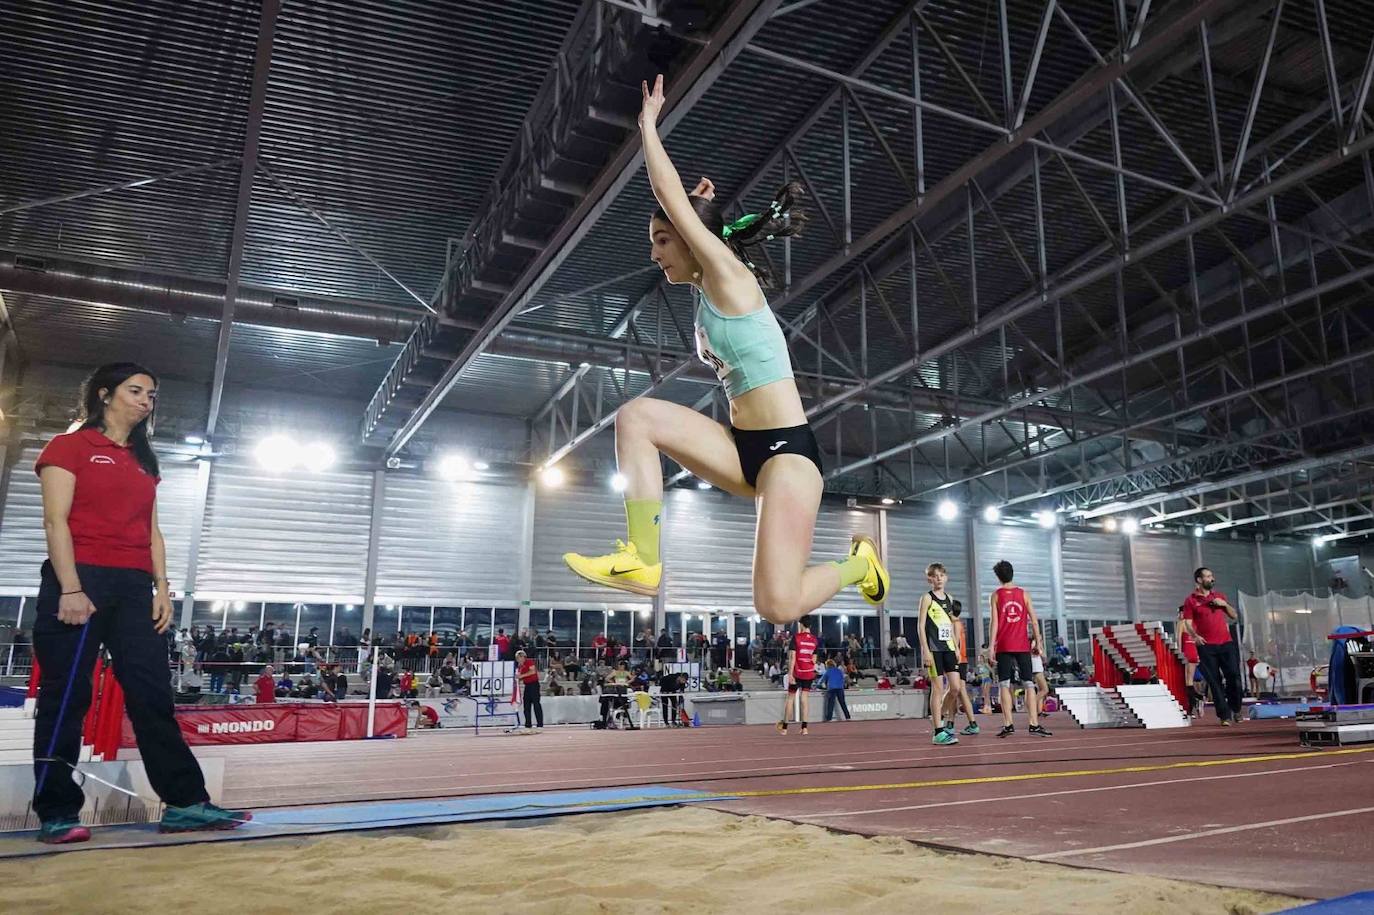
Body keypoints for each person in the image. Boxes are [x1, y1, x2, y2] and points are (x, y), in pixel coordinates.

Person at [561, 73, 891, 625]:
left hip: (788, 456)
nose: (654, 254)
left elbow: (671, 200)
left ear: (695, 241)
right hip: (742, 448)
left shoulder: (729, 278)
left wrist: (648, 127)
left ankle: (860, 565)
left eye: (662, 240)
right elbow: (686, 216)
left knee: (776, 606)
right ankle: (643, 558)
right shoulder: (705, 287)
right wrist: (698, 209)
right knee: (636, 417)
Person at [31, 363, 249, 843]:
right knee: (67, 698)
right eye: (136, 391)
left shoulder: (143, 460)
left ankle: (186, 803)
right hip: (79, 581)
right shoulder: (68, 448)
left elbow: (152, 531)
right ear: (105, 394)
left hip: (134, 589)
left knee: (152, 695)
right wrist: (70, 587)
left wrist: (163, 588)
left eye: (152, 393)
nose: (146, 400)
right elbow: (55, 521)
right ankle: (57, 811)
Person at [988, 560, 1052, 738]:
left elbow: (994, 623)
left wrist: (991, 647)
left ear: (998, 577)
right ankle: (1034, 724)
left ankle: (1008, 724)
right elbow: (1034, 619)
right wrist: (1038, 642)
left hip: (1003, 645)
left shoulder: (995, 595)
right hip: (1022, 645)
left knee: (1004, 684)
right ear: (1012, 573)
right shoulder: (1024, 594)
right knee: (1029, 684)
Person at [1180, 567, 1243, 726]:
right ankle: (1224, 716)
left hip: (1226, 644)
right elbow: (1187, 623)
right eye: (1207, 576)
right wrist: (1195, 636)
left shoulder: (1219, 596)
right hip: (1206, 646)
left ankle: (1236, 708)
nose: (1211, 578)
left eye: (1211, 576)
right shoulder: (1191, 600)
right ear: (1199, 580)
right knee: (1214, 681)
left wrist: (1224, 604)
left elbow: (1234, 615)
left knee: (1234, 676)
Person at [918, 563, 972, 745]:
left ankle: (939, 715)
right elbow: (920, 626)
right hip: (934, 650)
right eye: (935, 576)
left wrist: (956, 648)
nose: (939, 578)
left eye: (942, 575)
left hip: (949, 649)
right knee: (938, 688)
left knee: (956, 688)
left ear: (946, 577)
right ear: (930, 579)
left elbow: (951, 624)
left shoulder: (950, 598)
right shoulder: (927, 598)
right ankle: (938, 732)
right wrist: (925, 650)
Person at [940, 599, 979, 734]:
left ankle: (970, 724)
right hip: (960, 660)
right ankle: (952, 723)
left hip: (958, 660)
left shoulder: (955, 624)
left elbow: (955, 644)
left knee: (957, 691)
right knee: (956, 692)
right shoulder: (957, 623)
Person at [777, 616, 818, 735]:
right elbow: (814, 659)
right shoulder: (815, 640)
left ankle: (784, 728)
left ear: (801, 625)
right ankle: (804, 728)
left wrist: (790, 673)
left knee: (790, 699)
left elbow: (792, 657)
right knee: (804, 699)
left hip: (797, 672)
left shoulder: (796, 638)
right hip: (808, 673)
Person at [1177, 606, 1201, 718]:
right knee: (1190, 682)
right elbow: (1197, 641)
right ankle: (1197, 701)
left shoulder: (1181, 623)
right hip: (1194, 654)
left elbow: (1178, 640)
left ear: (1182, 613)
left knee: (1187, 683)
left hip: (1186, 653)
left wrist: (1179, 654)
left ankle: (1192, 706)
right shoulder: (1195, 625)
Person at [516, 650, 544, 733]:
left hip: (534, 685)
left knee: (536, 704)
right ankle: (528, 725)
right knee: (526, 705)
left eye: (519, 658)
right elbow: (521, 677)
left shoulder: (529, 662)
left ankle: (540, 725)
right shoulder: (520, 666)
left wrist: (521, 675)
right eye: (517, 658)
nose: (518, 660)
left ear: (523, 657)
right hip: (527, 686)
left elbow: (532, 671)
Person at [821, 657, 851, 723]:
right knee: (843, 703)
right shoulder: (839, 671)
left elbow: (821, 681)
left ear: (827, 665)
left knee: (831, 703)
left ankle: (829, 718)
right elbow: (843, 679)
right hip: (840, 688)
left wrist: (819, 686)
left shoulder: (828, 671)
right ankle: (848, 717)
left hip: (831, 688)